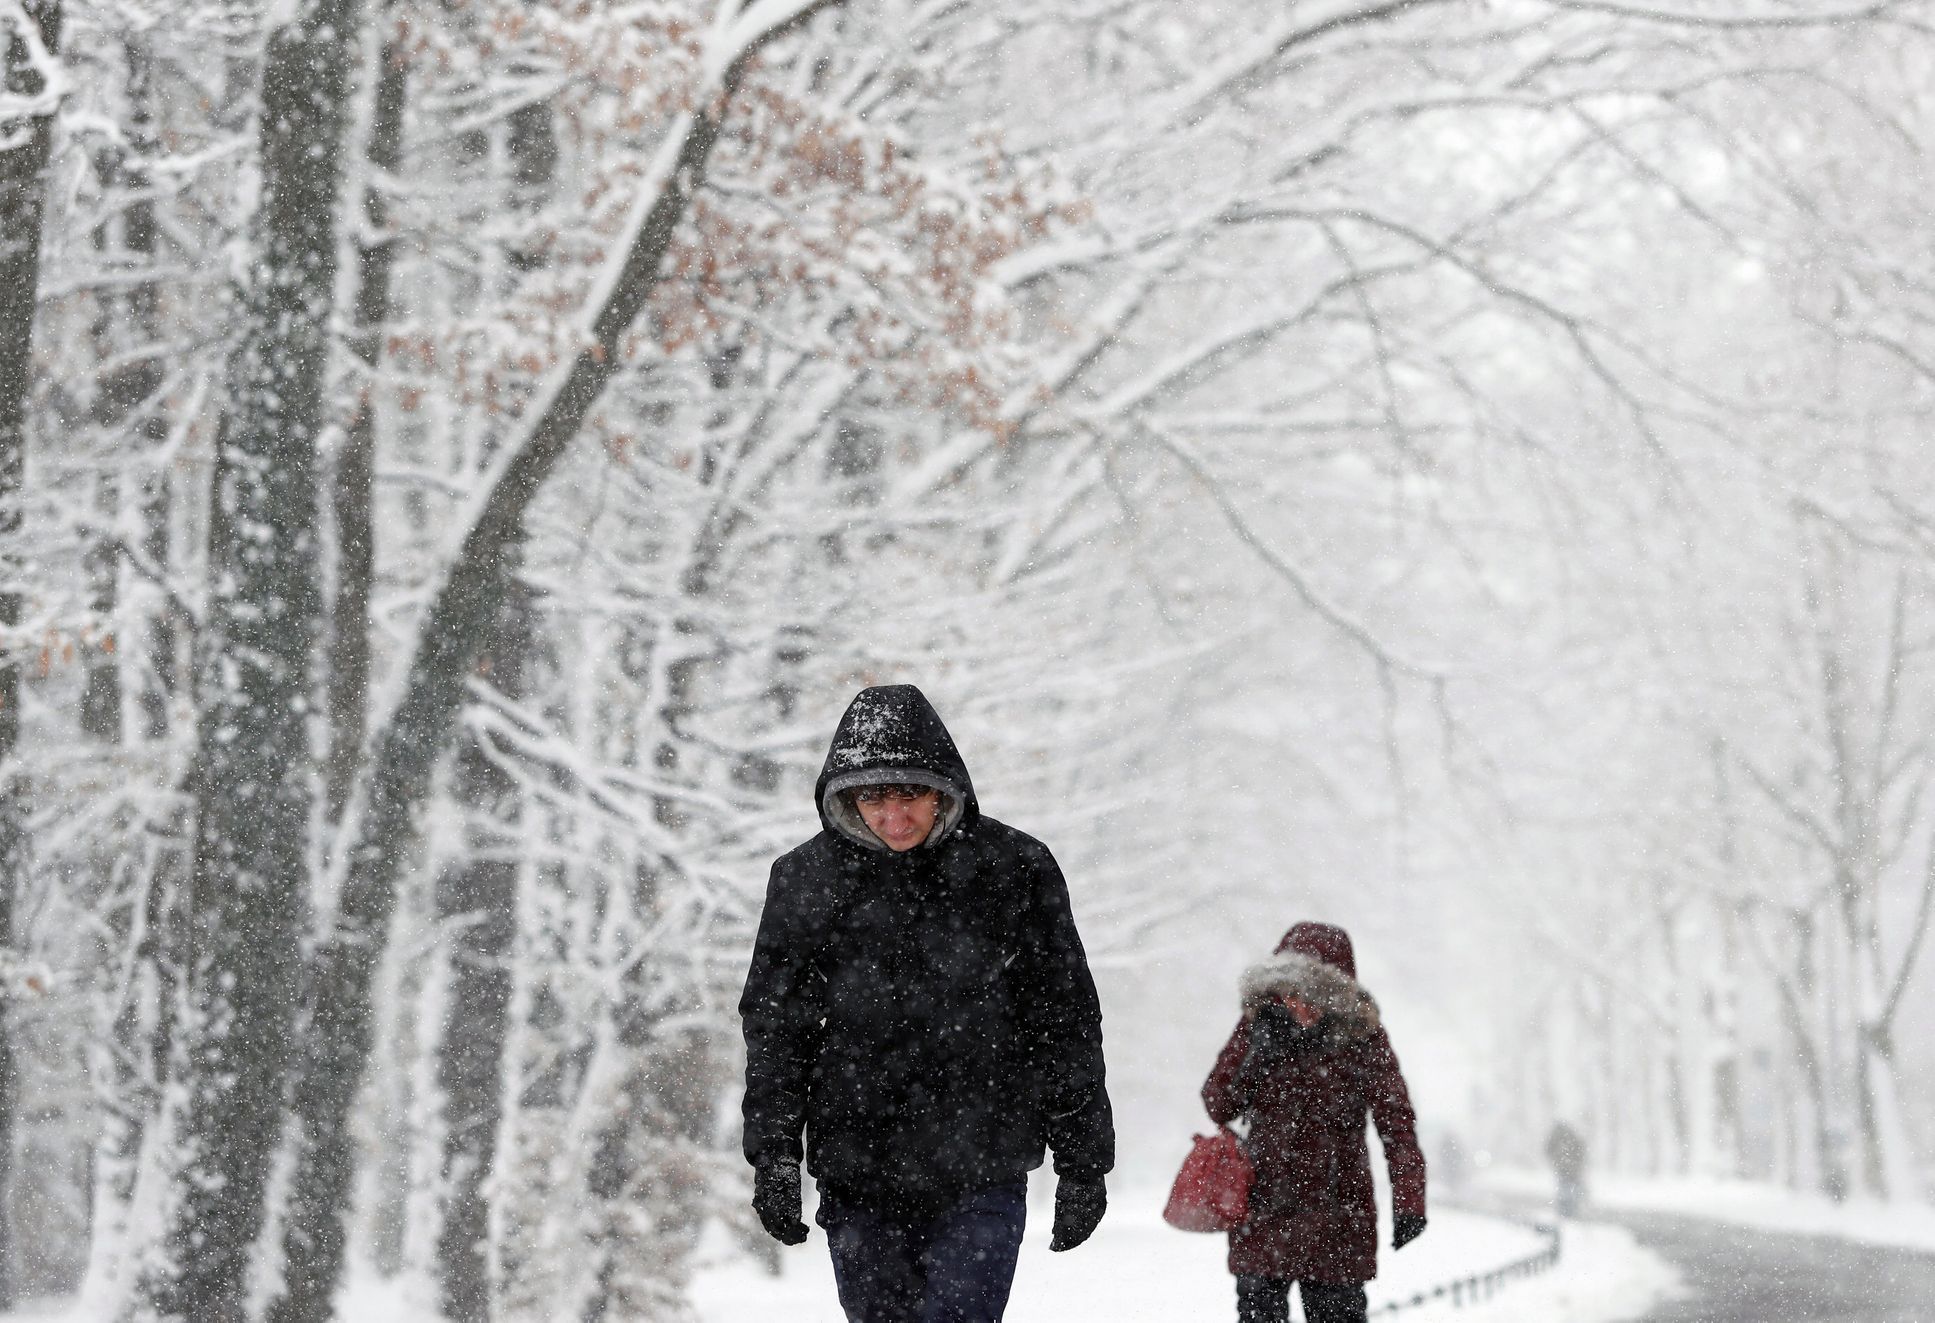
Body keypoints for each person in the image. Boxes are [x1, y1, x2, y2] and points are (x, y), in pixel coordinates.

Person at [739, 684, 1114, 1323]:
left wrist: (1084, 1160)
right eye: (872, 798)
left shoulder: (1014, 869)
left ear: (944, 788)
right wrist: (774, 1154)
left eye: (908, 794)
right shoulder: (805, 881)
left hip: (983, 1162)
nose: (893, 817)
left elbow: (1063, 1018)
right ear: (845, 797)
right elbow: (778, 1029)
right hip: (858, 1166)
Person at [1201, 922, 1427, 1323]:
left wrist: (1409, 1201)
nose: (1294, 999)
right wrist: (1257, 1057)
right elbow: (1218, 1104)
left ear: (1333, 993)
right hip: (1265, 1209)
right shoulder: (1258, 1026)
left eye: (1306, 988)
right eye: (1286, 987)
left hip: (1338, 1215)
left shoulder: (1363, 1037)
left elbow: (1397, 1123)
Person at [1545, 1120, 1588, 1217]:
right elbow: (1580, 1151)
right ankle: (1568, 1211)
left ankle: (1566, 1211)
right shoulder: (1571, 1139)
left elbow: (1548, 1150)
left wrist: (1558, 1162)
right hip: (1569, 1170)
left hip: (1566, 1170)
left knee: (1566, 1191)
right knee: (1568, 1191)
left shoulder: (1560, 1140)